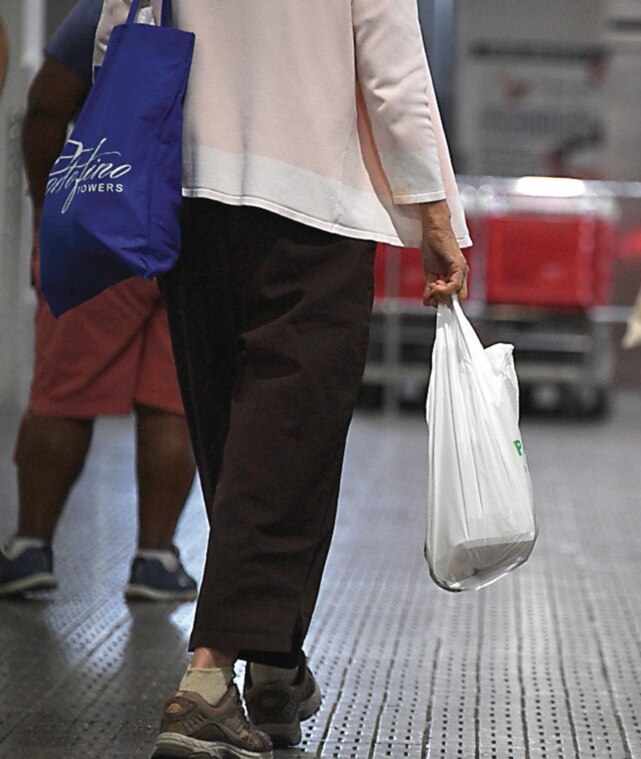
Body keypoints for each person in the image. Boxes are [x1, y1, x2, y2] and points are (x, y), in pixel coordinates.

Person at [96, 1, 471, 757]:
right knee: (289, 438)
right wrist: (434, 210)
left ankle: (273, 660)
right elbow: (392, 64)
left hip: (188, 191)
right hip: (314, 204)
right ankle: (210, 676)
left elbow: (117, 33)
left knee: (234, 437)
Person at [0, 0, 198, 602]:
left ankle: (31, 546)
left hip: (108, 217)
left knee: (64, 391)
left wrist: (48, 211)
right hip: (197, 229)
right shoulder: (248, 24)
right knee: (173, 398)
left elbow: (47, 105)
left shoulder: (116, 7)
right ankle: (155, 558)